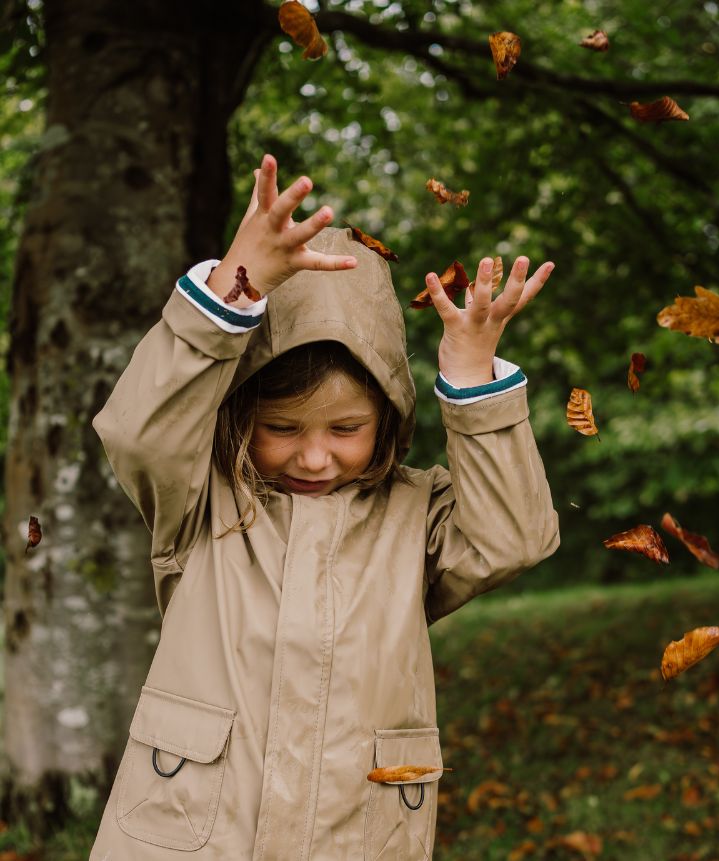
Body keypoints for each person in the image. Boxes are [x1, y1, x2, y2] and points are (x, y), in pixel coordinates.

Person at [89, 154, 559, 861]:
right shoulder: (201, 498)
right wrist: (229, 295)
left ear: (390, 416)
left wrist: (469, 382)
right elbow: (138, 430)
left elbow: (513, 536)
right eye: (282, 428)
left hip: (357, 836)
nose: (314, 457)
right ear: (243, 415)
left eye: (345, 430)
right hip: (190, 835)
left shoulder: (416, 513)